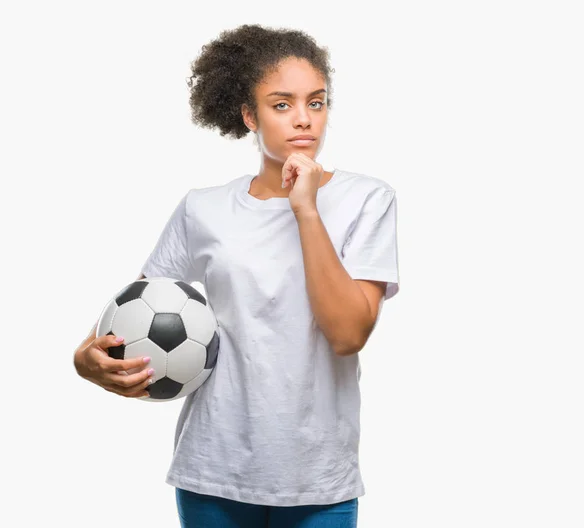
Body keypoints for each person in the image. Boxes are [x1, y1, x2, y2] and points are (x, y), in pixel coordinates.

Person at [73, 23, 400, 528]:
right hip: (213, 471)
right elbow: (133, 316)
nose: (304, 120)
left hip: (317, 478)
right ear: (249, 115)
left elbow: (348, 333)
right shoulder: (204, 208)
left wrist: (306, 209)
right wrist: (86, 359)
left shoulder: (366, 199)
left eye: (317, 102)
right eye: (281, 104)